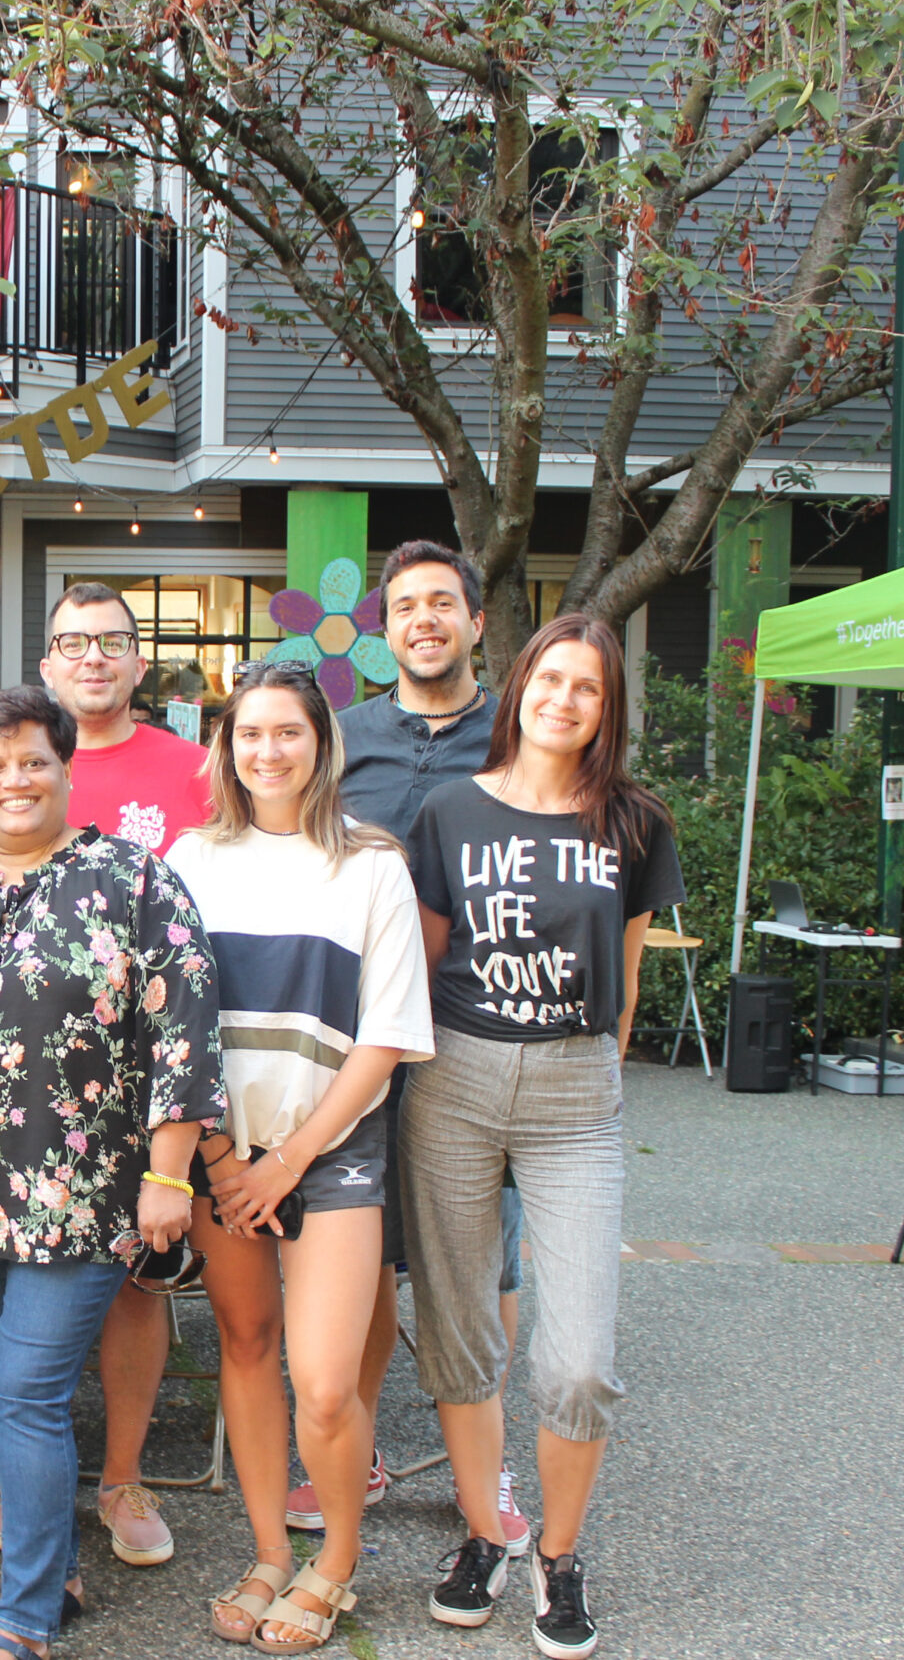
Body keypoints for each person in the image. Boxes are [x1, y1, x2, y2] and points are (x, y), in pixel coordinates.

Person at [402, 613, 683, 1660]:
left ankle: (558, 1558)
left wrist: (594, 1074)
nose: (564, 699)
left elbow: (629, 976)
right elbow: (421, 970)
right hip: (454, 1079)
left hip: (575, 1090)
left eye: (589, 688)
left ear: (607, 709)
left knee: (576, 1363)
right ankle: (483, 1535)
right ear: (518, 684)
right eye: (551, 678)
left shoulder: (634, 822)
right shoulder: (447, 812)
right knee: (461, 1332)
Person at [0, 687, 221, 1660]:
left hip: (90, 1188)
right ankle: (53, 1573)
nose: (14, 779)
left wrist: (168, 1175)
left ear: (64, 769)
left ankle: (23, 1620)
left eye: (32, 760)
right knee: (24, 1393)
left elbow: (185, 1027)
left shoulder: (131, 879)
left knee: (25, 1391)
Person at [167, 664, 433, 1654]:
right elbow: (171, 1022)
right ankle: (272, 1551)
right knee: (243, 1344)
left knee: (324, 1380)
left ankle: (337, 1562)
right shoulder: (191, 860)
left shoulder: (370, 865)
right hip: (219, 1153)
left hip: (329, 1152)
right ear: (225, 749)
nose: (267, 752)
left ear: (322, 745)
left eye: (287, 733)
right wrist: (222, 1154)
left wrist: (284, 1161)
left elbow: (386, 1037)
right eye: (248, 735)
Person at [0, 581, 210, 1570]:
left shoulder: (195, 768)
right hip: (26, 1120)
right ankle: (37, 1481)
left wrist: (179, 1146)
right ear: (46, 662)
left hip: (145, 1098)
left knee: (131, 1292)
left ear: (136, 658)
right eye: (72, 641)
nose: (93, 659)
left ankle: (119, 1478)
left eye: (112, 642)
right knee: (29, 1322)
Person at [332, 540, 531, 1551]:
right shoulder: (345, 736)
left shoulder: (519, 732)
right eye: (405, 605)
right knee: (360, 1257)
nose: (423, 620)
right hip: (359, 1033)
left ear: (474, 622)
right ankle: (353, 1452)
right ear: (385, 626)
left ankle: (482, 1479)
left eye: (440, 604)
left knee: (473, 1266)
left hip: (479, 1031)